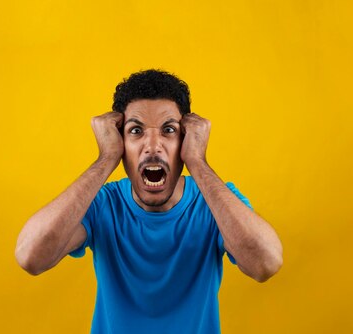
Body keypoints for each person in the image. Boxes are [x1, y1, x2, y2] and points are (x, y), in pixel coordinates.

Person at [15, 69, 283, 334]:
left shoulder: (215, 203)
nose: (153, 146)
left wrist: (198, 162)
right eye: (136, 131)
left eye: (168, 130)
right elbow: (31, 256)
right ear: (120, 141)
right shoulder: (101, 204)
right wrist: (105, 159)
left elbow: (266, 263)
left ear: (186, 139)